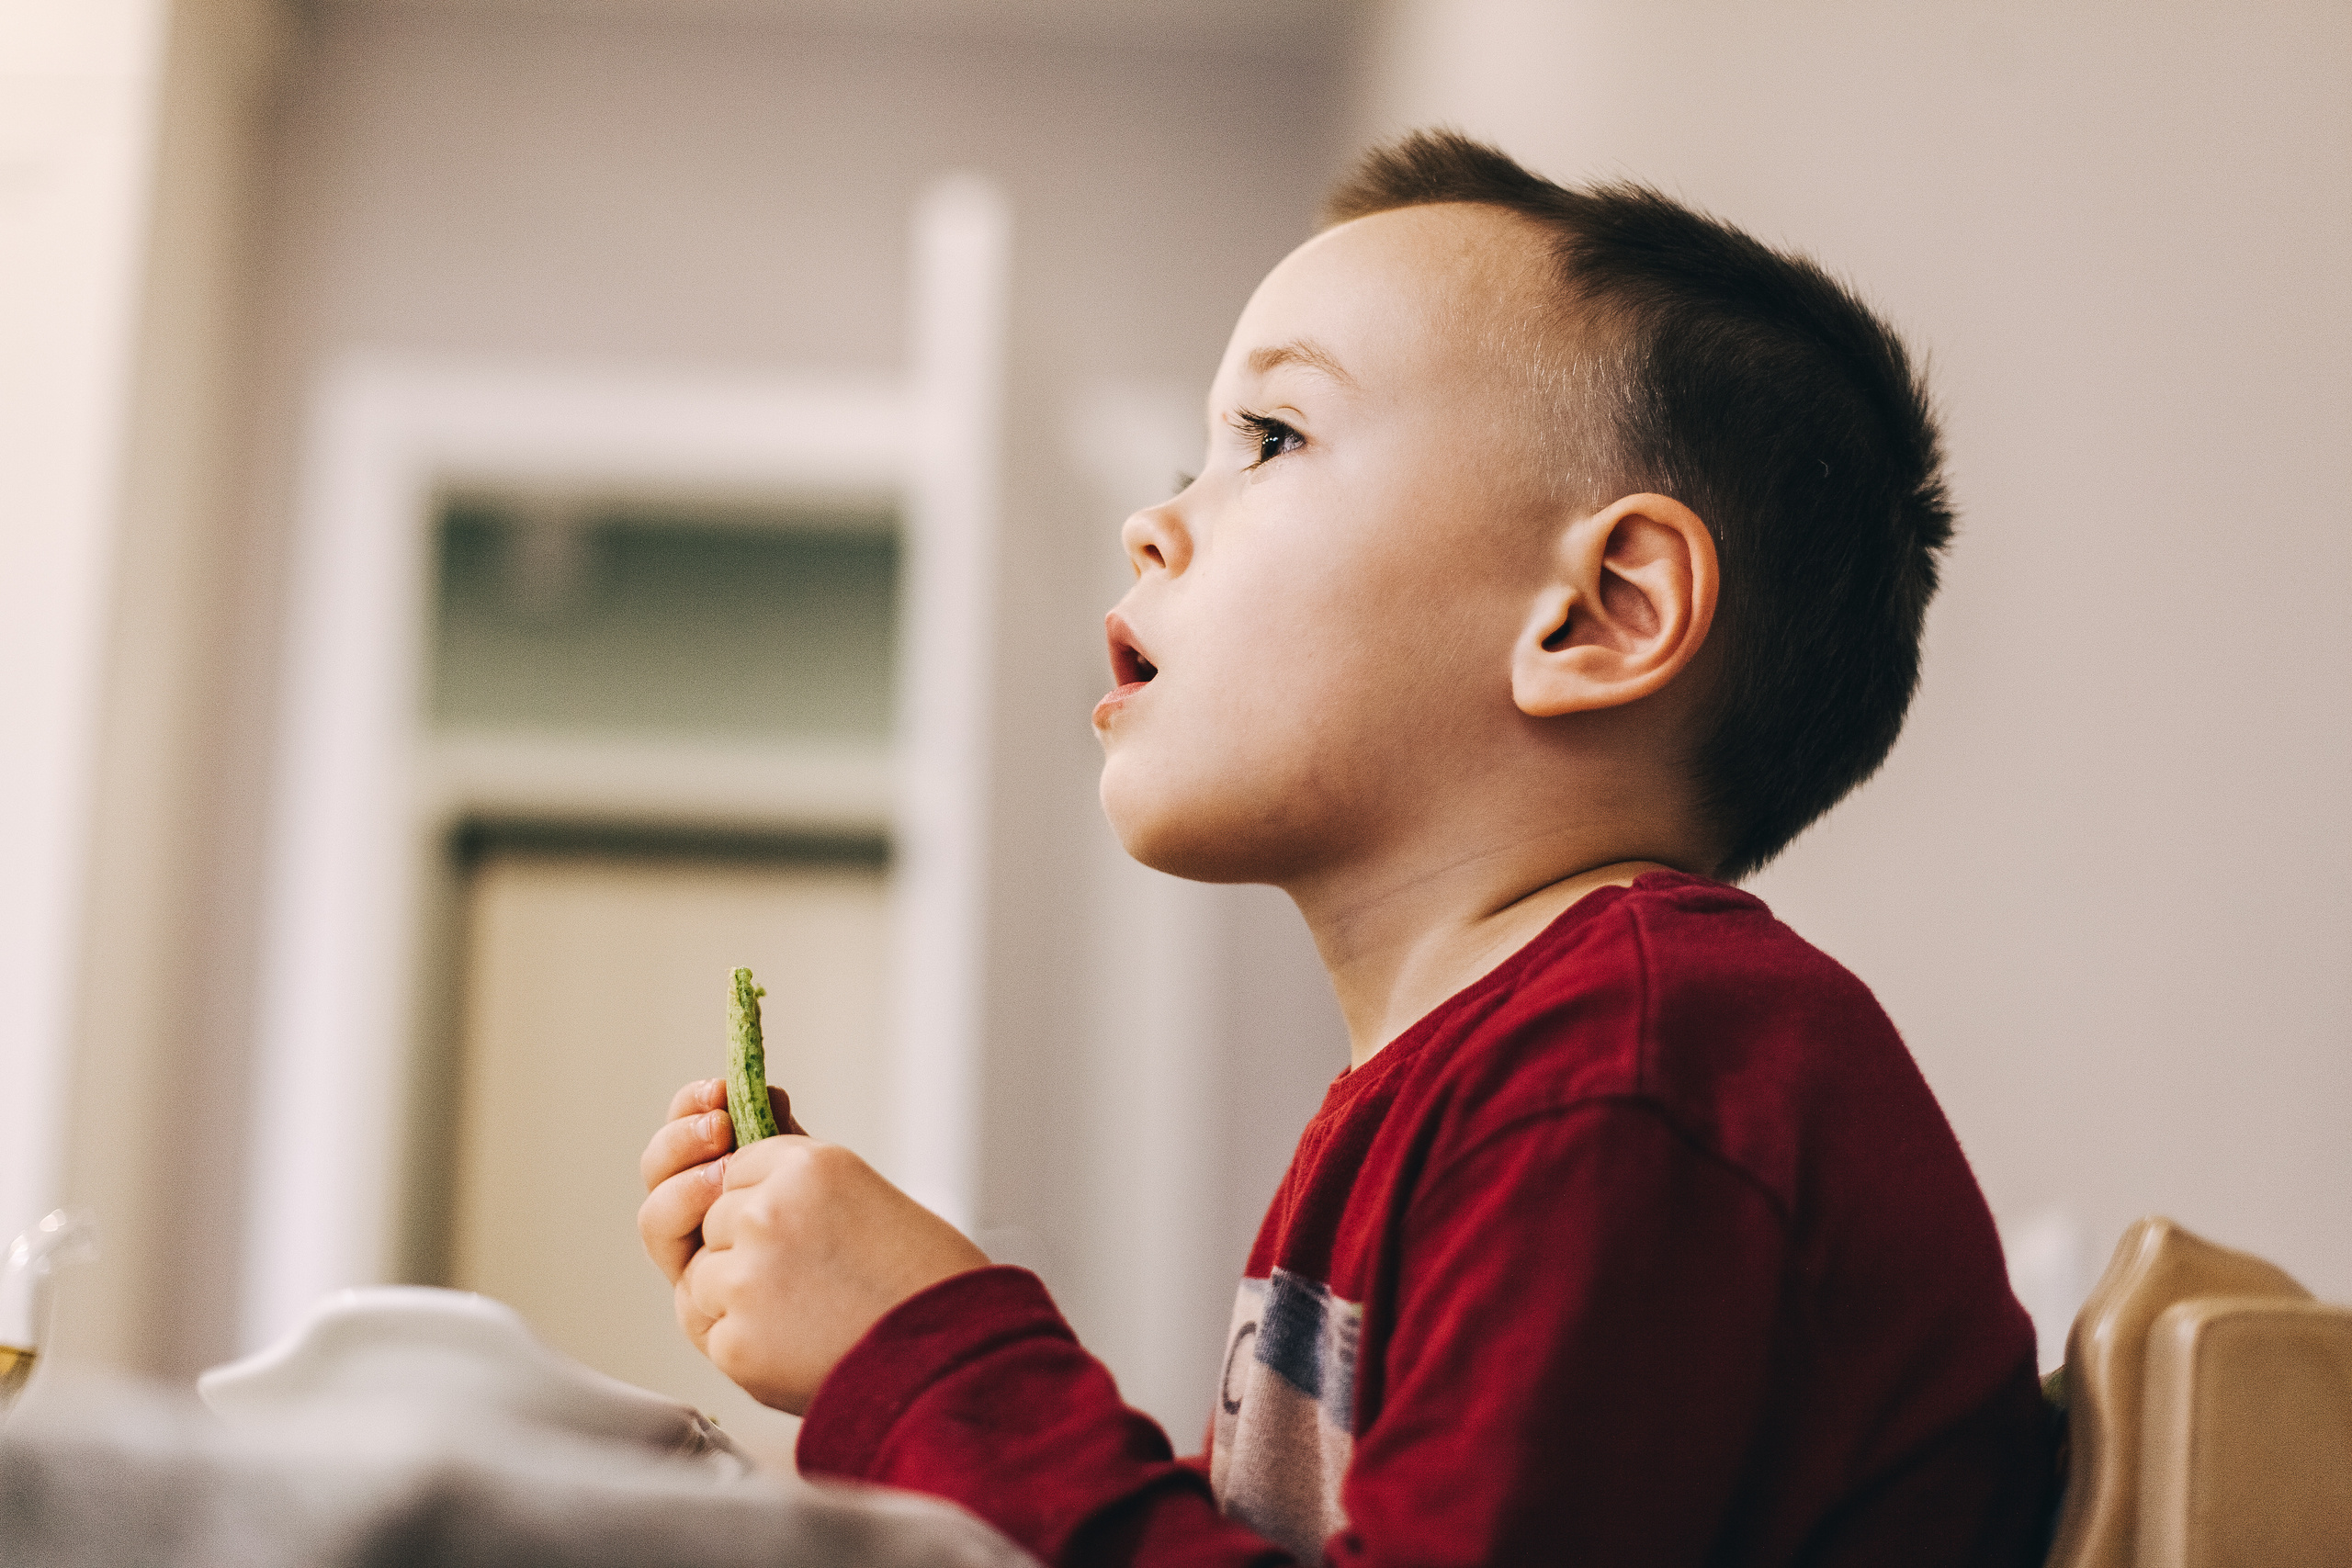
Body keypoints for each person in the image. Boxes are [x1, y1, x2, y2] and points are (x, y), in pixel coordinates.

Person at [637, 130, 2053, 1565]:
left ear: (1599, 613)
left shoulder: (1627, 1075)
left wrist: (928, 1358)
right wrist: (879, 1344)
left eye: (1271, 439)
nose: (1152, 521)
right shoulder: (1512, 1071)